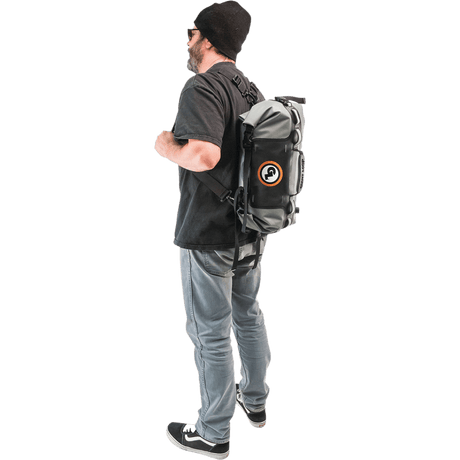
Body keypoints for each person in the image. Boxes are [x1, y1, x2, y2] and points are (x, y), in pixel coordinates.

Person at [154, 2, 272, 459]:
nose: (188, 40)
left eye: (192, 32)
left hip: (208, 232)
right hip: (249, 229)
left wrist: (166, 145)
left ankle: (213, 432)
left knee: (210, 333)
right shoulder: (250, 88)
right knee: (248, 316)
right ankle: (256, 403)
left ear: (207, 39)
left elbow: (203, 156)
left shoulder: (202, 86)